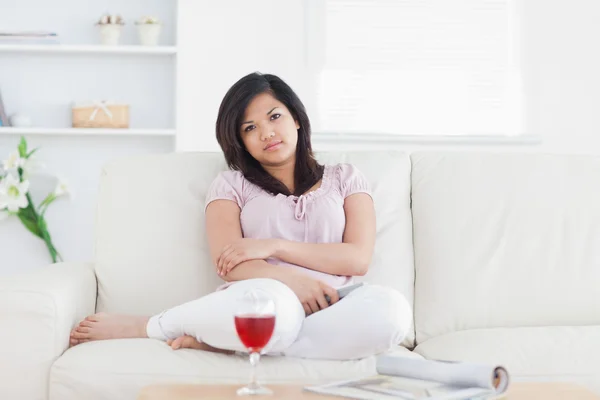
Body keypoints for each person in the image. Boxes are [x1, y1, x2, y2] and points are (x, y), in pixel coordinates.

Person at [70, 72, 412, 360]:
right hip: (264, 300)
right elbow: (230, 262)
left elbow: (356, 259)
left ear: (296, 117)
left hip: (336, 306)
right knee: (276, 312)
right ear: (240, 141)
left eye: (274, 116)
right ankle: (155, 325)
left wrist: (273, 247)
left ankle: (235, 345)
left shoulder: (346, 178)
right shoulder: (231, 185)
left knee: (392, 311)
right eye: (250, 127)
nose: (266, 133)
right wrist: (293, 282)